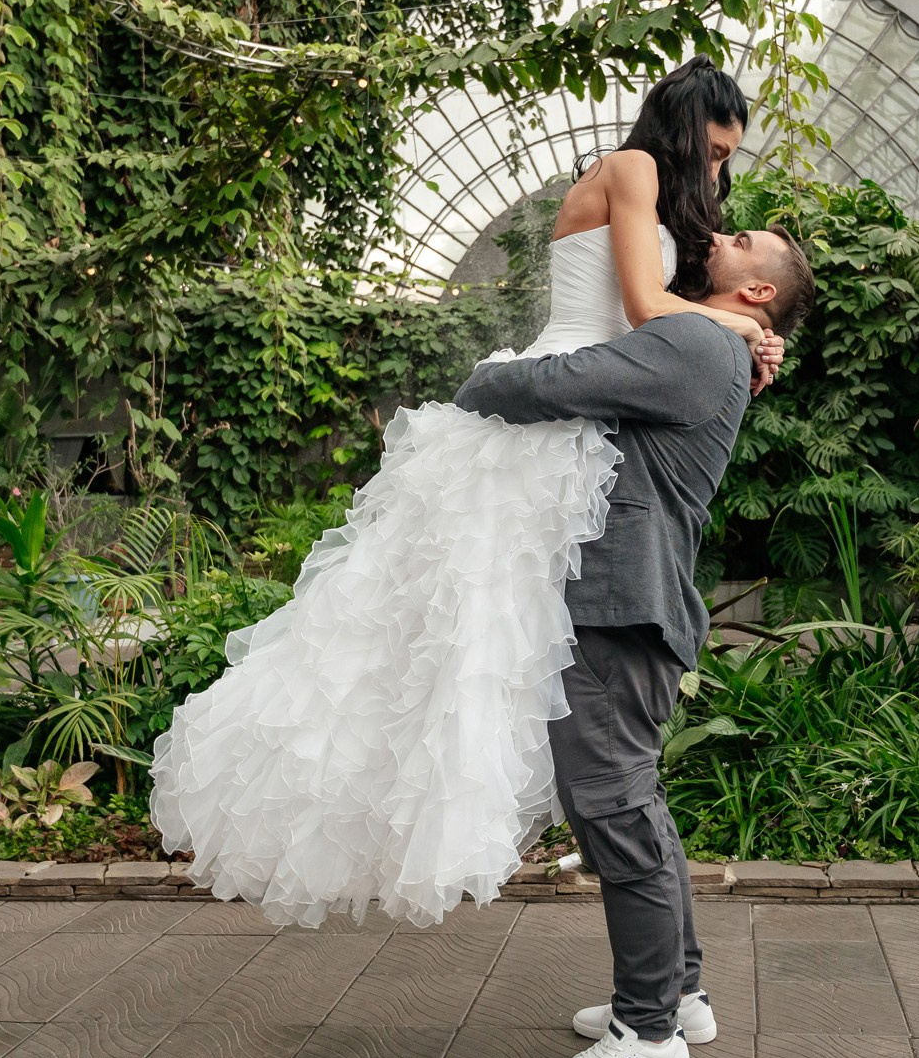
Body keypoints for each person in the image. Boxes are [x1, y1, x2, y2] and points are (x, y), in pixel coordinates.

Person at [149, 57, 789, 929]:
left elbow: (662, 319)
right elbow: (643, 306)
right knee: (465, 639)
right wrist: (747, 321)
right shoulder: (635, 167)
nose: (719, 176)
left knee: (491, 646)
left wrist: (738, 331)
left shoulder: (649, 195)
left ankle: (657, 977)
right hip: (555, 399)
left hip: (580, 429)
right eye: (715, 152)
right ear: (683, 128)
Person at [454, 223, 814, 1058]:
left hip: (620, 606)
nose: (718, 234)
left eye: (741, 239)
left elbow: (557, 383)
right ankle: (679, 995)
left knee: (611, 807)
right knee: (631, 801)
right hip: (634, 607)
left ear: (758, 291)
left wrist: (480, 380)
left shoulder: (693, 340)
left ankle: (647, 1036)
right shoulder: (711, 339)